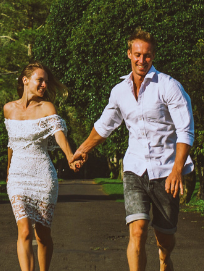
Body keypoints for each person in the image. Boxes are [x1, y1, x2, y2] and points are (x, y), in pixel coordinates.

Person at [71, 29, 193, 271]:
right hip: (135, 168)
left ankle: (164, 259)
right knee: (137, 230)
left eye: (147, 55)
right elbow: (105, 124)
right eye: (137, 54)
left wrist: (177, 170)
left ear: (153, 56)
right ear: (129, 54)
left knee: (164, 238)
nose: (142, 60)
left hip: (166, 171)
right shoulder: (120, 92)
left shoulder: (169, 87)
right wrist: (82, 149)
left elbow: (185, 131)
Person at [4, 62, 83, 271]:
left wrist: (70, 157)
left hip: (42, 176)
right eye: (40, 80)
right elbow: (11, 143)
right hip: (17, 177)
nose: (44, 85)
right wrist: (8, 172)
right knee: (24, 231)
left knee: (42, 234)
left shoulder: (47, 108)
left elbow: (59, 134)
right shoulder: (8, 109)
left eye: (46, 81)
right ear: (25, 80)